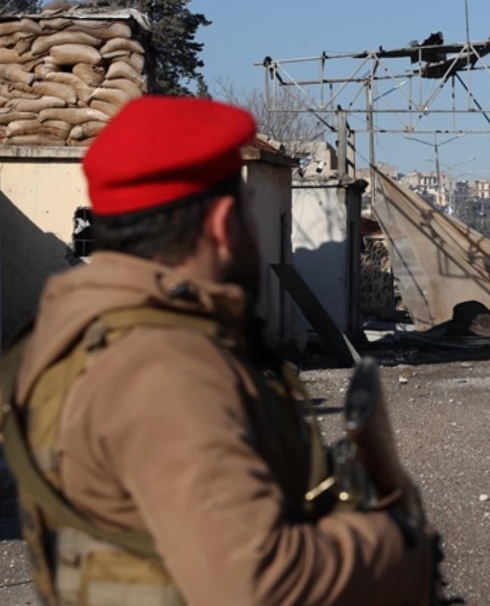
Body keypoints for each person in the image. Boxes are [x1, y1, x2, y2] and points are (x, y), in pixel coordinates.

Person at [0, 96, 437, 605]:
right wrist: (396, 547)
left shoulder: (71, 332)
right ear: (221, 224)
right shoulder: (163, 369)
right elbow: (254, 582)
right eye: (250, 217)